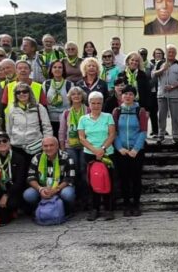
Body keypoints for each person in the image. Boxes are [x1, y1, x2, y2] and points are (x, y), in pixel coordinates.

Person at [77, 91, 118, 220]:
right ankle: (94, 209)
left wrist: (102, 149)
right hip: (90, 154)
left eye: (98, 103)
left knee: (108, 181)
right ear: (89, 104)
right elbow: (82, 138)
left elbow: (112, 134)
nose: (96, 106)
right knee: (92, 182)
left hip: (107, 153)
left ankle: (108, 209)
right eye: (93, 103)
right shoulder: (83, 119)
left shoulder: (108, 117)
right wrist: (95, 150)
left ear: (102, 104)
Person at [112, 85, 148, 216]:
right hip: (122, 151)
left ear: (135, 96)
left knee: (136, 178)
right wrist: (119, 147)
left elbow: (143, 131)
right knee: (124, 179)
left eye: (131, 94)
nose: (128, 96)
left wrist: (136, 149)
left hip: (136, 151)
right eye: (125, 94)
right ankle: (126, 204)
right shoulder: (117, 111)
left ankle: (136, 204)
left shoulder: (140, 111)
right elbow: (113, 132)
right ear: (121, 96)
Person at [24, 136, 77, 217]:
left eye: (51, 145)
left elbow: (70, 178)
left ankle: (67, 211)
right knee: (28, 194)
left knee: (68, 194)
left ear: (57, 146)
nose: (48, 148)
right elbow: (31, 177)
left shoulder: (66, 157)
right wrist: (40, 189)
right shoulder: (36, 158)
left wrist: (55, 189)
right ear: (42, 147)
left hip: (60, 188)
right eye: (45, 146)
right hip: (42, 188)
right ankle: (39, 210)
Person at [0, 132, 29, 227]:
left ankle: (9, 213)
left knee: (11, 204)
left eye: (4, 140)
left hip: (14, 191)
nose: (2, 143)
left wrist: (6, 195)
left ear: (9, 142)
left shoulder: (19, 158)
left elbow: (20, 181)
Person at [7, 86, 53, 156]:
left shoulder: (39, 107)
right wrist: (9, 143)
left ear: (30, 93)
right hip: (17, 147)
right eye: (18, 92)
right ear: (15, 95)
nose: (21, 94)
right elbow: (9, 128)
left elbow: (47, 127)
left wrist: (47, 144)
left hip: (36, 146)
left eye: (24, 91)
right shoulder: (12, 109)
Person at [154, 45, 178, 144]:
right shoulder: (160, 63)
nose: (171, 54)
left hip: (175, 94)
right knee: (161, 116)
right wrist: (163, 69)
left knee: (175, 116)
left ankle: (176, 136)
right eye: (169, 52)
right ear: (166, 53)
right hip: (162, 94)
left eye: (173, 52)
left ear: (175, 53)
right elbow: (153, 74)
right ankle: (161, 135)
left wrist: (173, 86)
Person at [42, 59, 74, 134]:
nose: (57, 69)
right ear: (51, 70)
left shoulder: (69, 84)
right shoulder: (46, 84)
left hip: (65, 119)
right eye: (55, 67)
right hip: (50, 120)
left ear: (63, 70)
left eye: (60, 67)